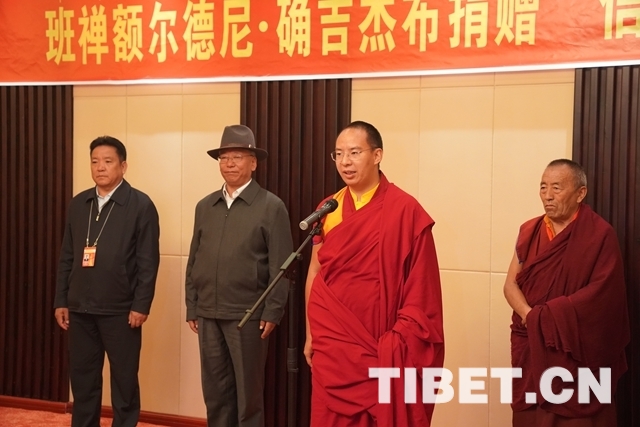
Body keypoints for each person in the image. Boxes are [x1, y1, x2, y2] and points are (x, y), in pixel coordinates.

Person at [303, 121, 445, 427]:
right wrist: (310, 332)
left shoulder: (405, 210)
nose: (345, 162)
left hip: (379, 345)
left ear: (377, 155)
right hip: (333, 344)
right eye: (339, 154)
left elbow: (423, 289)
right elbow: (316, 271)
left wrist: (396, 344)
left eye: (354, 152)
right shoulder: (329, 209)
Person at [504, 159, 629, 426]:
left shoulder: (599, 235)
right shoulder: (529, 231)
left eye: (557, 188)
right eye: (543, 187)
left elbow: (603, 299)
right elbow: (510, 285)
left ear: (580, 193)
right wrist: (531, 317)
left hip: (575, 350)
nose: (547, 195)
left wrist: (547, 318)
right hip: (532, 346)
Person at [185, 124, 293, 427]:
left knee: (248, 397)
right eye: (224, 158)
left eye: (237, 157)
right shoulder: (205, 206)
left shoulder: (271, 206)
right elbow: (194, 259)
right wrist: (192, 305)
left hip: (248, 315)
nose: (229, 164)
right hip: (207, 312)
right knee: (215, 394)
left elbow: (282, 266)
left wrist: (272, 310)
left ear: (253, 163)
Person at [54, 136, 160, 427]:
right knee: (83, 380)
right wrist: (62, 299)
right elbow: (67, 256)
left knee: (124, 381)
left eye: (108, 161)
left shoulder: (140, 205)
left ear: (123, 166)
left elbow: (148, 262)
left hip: (121, 310)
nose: (100, 167)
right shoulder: (79, 203)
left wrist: (141, 305)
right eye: (94, 161)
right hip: (80, 308)